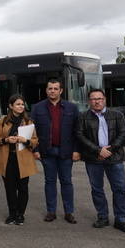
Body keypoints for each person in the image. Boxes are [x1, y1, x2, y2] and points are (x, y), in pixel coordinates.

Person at [76, 89, 125, 233]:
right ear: (89, 101)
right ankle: (103, 217)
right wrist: (98, 150)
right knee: (97, 189)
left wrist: (110, 150)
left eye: (99, 98)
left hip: (115, 158)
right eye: (93, 99)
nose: (97, 101)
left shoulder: (117, 115)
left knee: (119, 189)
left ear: (105, 99)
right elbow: (80, 135)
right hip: (93, 158)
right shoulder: (83, 117)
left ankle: (121, 219)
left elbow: (124, 133)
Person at [30, 78, 80, 223]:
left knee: (67, 182)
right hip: (47, 152)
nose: (52, 91)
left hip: (66, 152)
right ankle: (51, 211)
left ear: (61, 91)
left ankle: (69, 212)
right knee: (50, 182)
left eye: (55, 88)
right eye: (50, 88)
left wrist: (76, 150)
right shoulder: (37, 108)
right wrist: (35, 149)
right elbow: (33, 131)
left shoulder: (72, 108)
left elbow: (77, 131)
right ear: (46, 90)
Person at [0, 95, 39, 225]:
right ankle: (12, 214)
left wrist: (26, 140)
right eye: (18, 104)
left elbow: (35, 141)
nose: (21, 106)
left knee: (23, 188)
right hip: (8, 159)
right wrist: (6, 140)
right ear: (11, 106)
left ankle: (20, 214)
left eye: (22, 104)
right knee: (10, 188)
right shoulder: (3, 120)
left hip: (23, 160)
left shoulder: (28, 121)